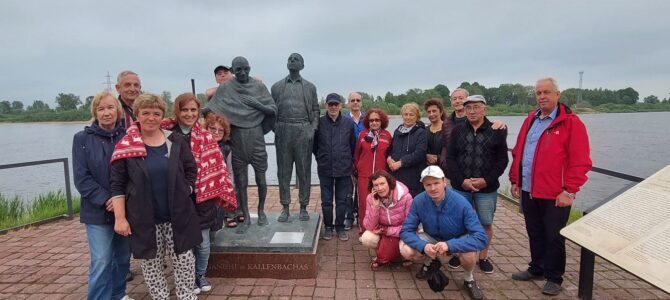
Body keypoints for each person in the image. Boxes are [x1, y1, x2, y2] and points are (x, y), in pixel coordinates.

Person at [110, 93, 201, 300]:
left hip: (177, 215)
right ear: (137, 114)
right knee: (151, 264)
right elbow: (117, 184)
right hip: (144, 218)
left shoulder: (175, 140)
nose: (151, 117)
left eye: (156, 113)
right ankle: (160, 297)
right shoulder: (126, 145)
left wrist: (185, 190)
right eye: (146, 113)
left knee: (185, 260)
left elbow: (190, 169)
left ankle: (186, 296)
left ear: (162, 116)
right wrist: (120, 218)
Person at [509, 77, 592, 296]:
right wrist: (515, 180)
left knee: (554, 236)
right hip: (529, 189)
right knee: (534, 232)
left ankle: (554, 277)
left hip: (556, 194)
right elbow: (519, 151)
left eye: (547, 92)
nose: (542, 97)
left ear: (557, 95)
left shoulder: (571, 123)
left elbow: (580, 160)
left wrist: (570, 190)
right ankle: (537, 268)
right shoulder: (531, 120)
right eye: (538, 93)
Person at [161, 93, 236, 294]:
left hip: (203, 198)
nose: (189, 113)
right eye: (185, 109)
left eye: (193, 110)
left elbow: (219, 168)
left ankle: (199, 275)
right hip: (176, 197)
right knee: (184, 245)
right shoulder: (165, 133)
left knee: (203, 244)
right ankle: (186, 279)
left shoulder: (206, 138)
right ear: (177, 110)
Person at [205, 56, 277, 231]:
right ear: (233, 70)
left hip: (256, 138)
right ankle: (245, 217)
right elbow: (212, 108)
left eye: (245, 69)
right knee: (241, 181)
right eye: (239, 70)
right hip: (237, 139)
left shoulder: (259, 87)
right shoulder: (227, 88)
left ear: (250, 68)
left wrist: (257, 104)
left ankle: (261, 212)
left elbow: (273, 110)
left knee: (261, 179)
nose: (243, 72)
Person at [72, 91, 132, 300]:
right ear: (95, 112)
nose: (106, 113)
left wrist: (122, 201)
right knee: (101, 260)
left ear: (118, 111)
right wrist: (108, 200)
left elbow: (135, 173)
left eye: (110, 108)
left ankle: (118, 294)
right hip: (97, 211)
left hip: (125, 210)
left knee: (123, 258)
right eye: (101, 109)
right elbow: (82, 177)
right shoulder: (82, 139)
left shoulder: (129, 136)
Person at [400, 166, 488, 300]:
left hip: (456, 239)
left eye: (436, 183)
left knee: (470, 254)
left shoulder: (461, 203)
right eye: (428, 184)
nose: (433, 188)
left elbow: (481, 237)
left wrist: (450, 245)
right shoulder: (419, 200)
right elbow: (406, 230)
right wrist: (423, 246)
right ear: (423, 185)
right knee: (406, 250)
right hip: (432, 237)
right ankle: (431, 261)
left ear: (444, 182)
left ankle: (469, 279)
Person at [446, 95, 509, 274]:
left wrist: (486, 180)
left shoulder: (496, 130)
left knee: (485, 223)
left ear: (484, 109)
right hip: (461, 186)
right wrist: (461, 181)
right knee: (458, 222)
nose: (472, 111)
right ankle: (458, 254)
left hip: (486, 188)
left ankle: (483, 256)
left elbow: (502, 160)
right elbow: (450, 158)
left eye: (476, 107)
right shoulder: (457, 131)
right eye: (468, 108)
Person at [271, 53, 319, 222]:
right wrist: (276, 128)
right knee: (283, 172)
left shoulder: (310, 87)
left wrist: (312, 130)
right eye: (290, 59)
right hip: (283, 130)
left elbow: (315, 110)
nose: (292, 61)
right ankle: (285, 207)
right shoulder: (276, 87)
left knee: (304, 171)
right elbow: (270, 112)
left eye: (296, 59)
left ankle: (304, 207)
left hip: (302, 130)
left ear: (302, 66)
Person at [314, 93, 356, 241]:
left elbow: (352, 145)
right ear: (326, 105)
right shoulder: (319, 123)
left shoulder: (348, 123)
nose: (333, 107)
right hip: (325, 167)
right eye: (330, 104)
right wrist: (321, 157)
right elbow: (315, 146)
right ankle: (328, 227)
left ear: (340, 105)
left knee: (342, 200)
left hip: (344, 168)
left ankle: (339, 227)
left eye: (336, 104)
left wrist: (347, 160)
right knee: (326, 201)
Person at [439, 88, 506, 174]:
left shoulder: (476, 120)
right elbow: (445, 146)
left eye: (460, 98)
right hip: (451, 172)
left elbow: (491, 131)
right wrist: (443, 163)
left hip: (476, 173)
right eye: (454, 99)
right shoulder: (446, 123)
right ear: (451, 102)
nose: (457, 101)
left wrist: (501, 125)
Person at [360, 170, 413, 270]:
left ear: (389, 182)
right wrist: (375, 207)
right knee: (367, 237)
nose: (379, 188)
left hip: (402, 232)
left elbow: (410, 226)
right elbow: (369, 226)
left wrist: (387, 231)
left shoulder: (406, 197)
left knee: (409, 251)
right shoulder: (370, 198)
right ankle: (384, 253)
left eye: (382, 183)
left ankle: (403, 256)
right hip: (384, 231)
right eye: (376, 185)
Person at [353, 108, 392, 236]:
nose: (374, 122)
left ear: (382, 121)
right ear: (367, 122)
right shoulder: (363, 135)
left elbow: (389, 155)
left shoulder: (387, 136)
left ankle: (379, 228)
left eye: (377, 120)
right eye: (371, 120)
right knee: (364, 203)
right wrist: (358, 167)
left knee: (380, 202)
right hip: (365, 175)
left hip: (381, 177)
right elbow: (357, 154)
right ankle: (364, 229)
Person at [387, 102, 427, 197]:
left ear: (417, 117)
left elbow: (419, 153)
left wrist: (401, 163)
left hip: (413, 178)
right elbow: (391, 148)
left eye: (411, 114)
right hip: (396, 176)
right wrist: (389, 159)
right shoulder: (397, 131)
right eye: (405, 114)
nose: (408, 117)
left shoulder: (421, 132)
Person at [204, 114, 236, 231]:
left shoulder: (226, 149)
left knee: (217, 221)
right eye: (213, 128)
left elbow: (230, 171)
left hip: (219, 190)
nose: (216, 132)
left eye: (220, 130)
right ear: (206, 128)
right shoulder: (200, 145)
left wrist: (228, 188)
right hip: (204, 191)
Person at [344, 92, 365, 230]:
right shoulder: (344, 120)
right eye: (353, 100)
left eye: (358, 100)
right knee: (347, 191)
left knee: (363, 190)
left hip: (365, 160)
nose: (355, 102)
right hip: (348, 160)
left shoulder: (368, 119)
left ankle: (362, 216)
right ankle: (349, 217)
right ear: (348, 103)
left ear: (361, 102)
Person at [423, 98, 445, 166]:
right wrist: (425, 156)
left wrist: (438, 158)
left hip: (445, 169)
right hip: (427, 169)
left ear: (441, 112)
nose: (431, 114)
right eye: (429, 112)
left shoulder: (449, 129)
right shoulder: (424, 130)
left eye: (434, 111)